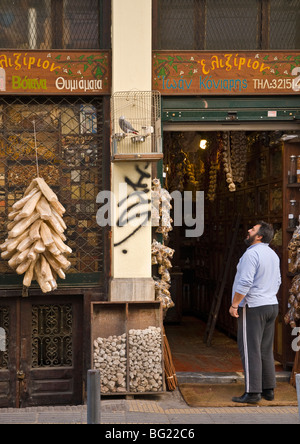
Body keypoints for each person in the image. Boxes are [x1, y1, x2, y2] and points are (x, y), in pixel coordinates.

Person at [229, 221, 281, 404]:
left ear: (259, 236)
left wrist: (235, 304)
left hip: (253, 306)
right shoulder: (273, 254)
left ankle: (252, 393)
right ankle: (268, 390)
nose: (248, 230)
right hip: (271, 305)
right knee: (265, 349)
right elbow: (278, 281)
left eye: (252, 229)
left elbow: (245, 282)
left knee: (250, 349)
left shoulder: (251, 254)